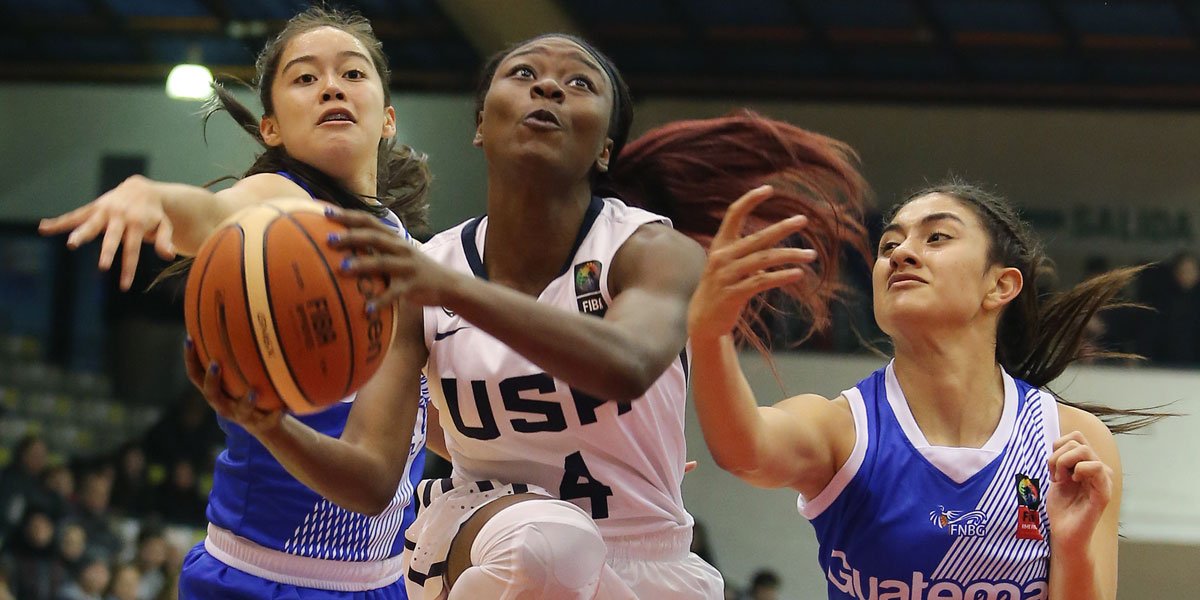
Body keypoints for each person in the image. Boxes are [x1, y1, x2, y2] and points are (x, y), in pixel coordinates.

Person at [189, 31, 869, 599]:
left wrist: (448, 290)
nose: (548, 87)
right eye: (524, 74)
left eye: (579, 83)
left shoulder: (649, 250)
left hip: (647, 558)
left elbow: (624, 367)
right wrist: (270, 425)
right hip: (482, 538)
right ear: (481, 124)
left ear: (604, 148)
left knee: (561, 552)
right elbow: (370, 480)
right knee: (549, 546)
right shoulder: (429, 271)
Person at [38, 6, 432, 597]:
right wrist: (153, 196)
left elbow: (398, 451)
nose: (330, 86)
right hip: (260, 577)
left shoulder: (409, 255)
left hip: (381, 581)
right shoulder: (283, 209)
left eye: (352, 74)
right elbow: (218, 216)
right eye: (304, 78)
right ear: (271, 127)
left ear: (388, 118)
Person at [689, 180, 1163, 599]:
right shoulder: (842, 428)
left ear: (1000, 285)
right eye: (888, 244)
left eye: (936, 237)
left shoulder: (1071, 442)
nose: (899, 253)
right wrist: (709, 335)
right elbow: (743, 450)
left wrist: (1073, 548)